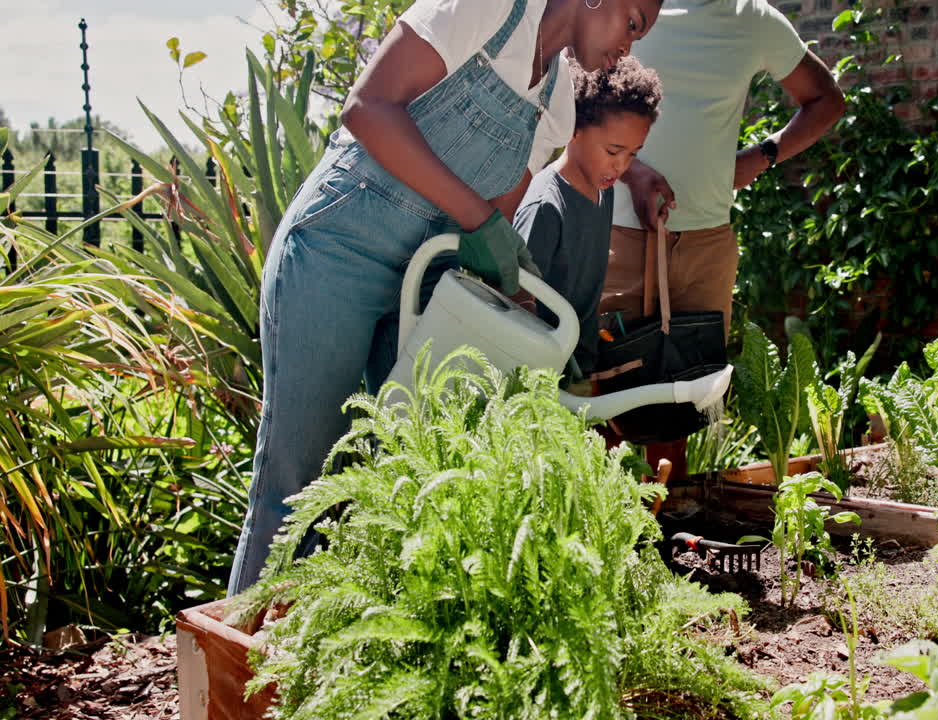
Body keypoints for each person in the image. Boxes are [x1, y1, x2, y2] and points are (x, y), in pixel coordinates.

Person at [228, 0, 664, 595]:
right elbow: (369, 108)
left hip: (423, 280)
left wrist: (517, 292)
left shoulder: (558, 99)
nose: (628, 49)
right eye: (633, 23)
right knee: (296, 483)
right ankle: (237, 676)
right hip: (338, 249)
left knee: (403, 482)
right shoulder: (487, 8)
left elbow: (495, 216)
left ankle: (336, 671)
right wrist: (479, 223)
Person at [599, 0, 845, 480]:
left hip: (705, 245)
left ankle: (668, 532)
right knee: (598, 394)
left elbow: (826, 100)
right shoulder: (631, 7)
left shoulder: (752, 18)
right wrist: (630, 168)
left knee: (681, 403)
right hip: (614, 231)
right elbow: (569, 95)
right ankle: (594, 534)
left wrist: (762, 156)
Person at [514, 56, 663, 382]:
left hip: (579, 371)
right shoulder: (545, 207)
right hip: (539, 380)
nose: (622, 166)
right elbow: (513, 305)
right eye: (613, 151)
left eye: (633, 154)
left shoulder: (602, 189)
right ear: (573, 127)